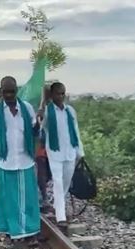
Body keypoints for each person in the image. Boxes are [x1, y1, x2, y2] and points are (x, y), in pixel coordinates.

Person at [0, 76, 41, 249]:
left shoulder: (27, 108)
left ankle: (30, 233)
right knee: (8, 200)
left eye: (12, 91)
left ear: (17, 91)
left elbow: (34, 132)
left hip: (25, 160)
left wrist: (39, 122)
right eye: (5, 91)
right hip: (5, 162)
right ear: (1, 91)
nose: (9, 95)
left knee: (29, 199)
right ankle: (9, 233)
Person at [39, 82, 84, 233]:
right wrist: (43, 103)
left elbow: (76, 131)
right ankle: (61, 217)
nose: (61, 96)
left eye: (63, 93)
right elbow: (39, 125)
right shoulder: (47, 111)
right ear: (52, 95)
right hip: (54, 152)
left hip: (70, 152)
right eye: (58, 93)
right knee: (58, 183)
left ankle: (56, 203)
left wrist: (80, 152)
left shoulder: (70, 111)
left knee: (65, 183)